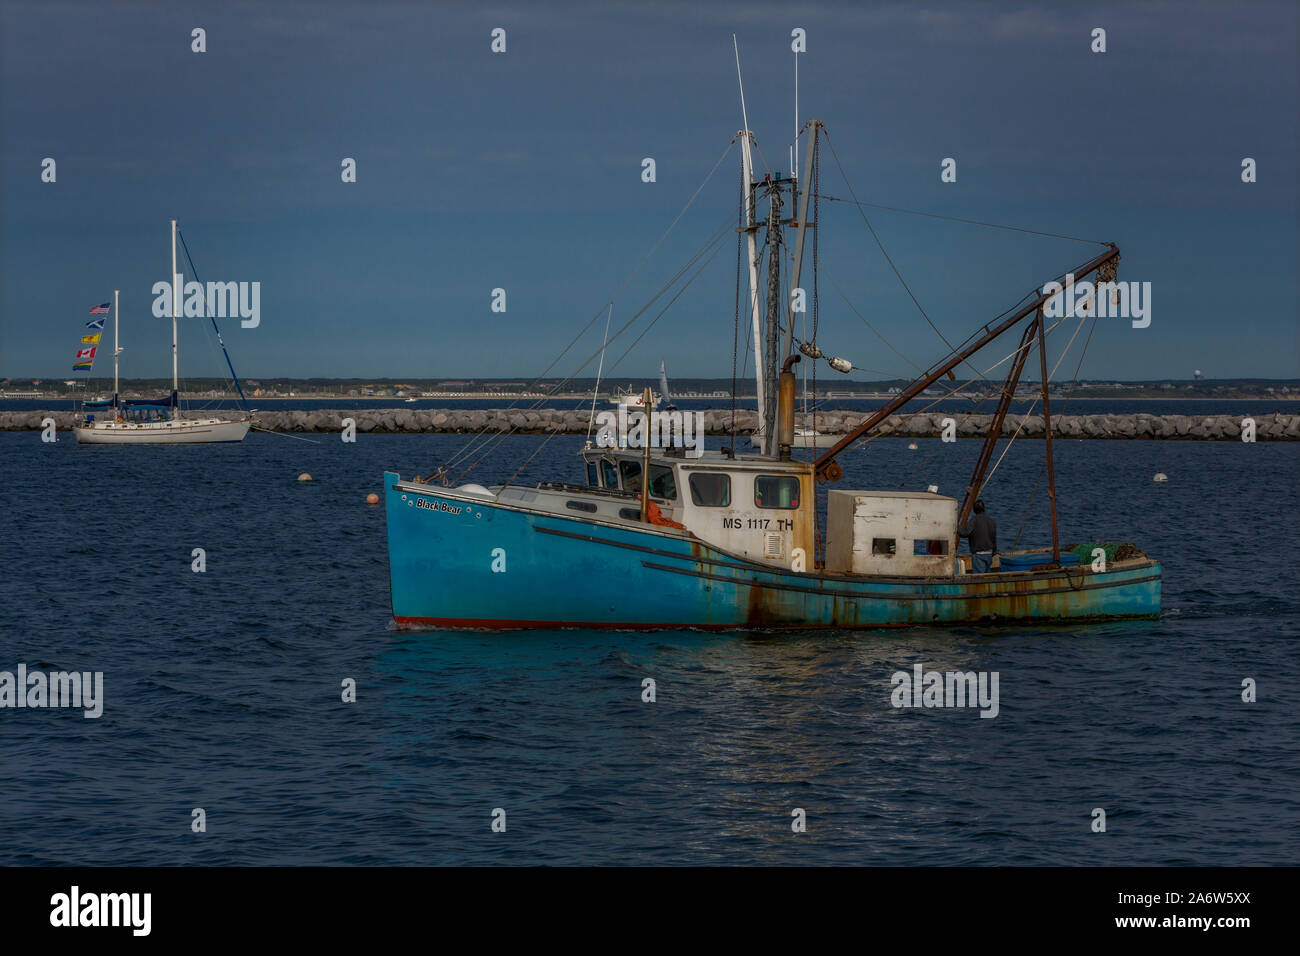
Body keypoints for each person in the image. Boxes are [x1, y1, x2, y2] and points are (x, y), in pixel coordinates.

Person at [959, 499, 997, 573]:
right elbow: (993, 539)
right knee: (986, 577)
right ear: (984, 509)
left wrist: (956, 526)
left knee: (979, 578)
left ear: (974, 510)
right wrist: (994, 552)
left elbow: (964, 533)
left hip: (979, 555)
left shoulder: (974, 521)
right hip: (989, 554)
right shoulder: (991, 521)